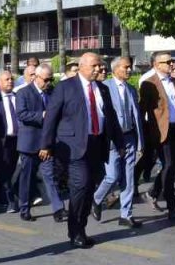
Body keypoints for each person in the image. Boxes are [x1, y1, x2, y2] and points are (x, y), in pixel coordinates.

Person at [41, 53, 120, 249]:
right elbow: (51, 117)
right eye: (94, 65)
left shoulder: (102, 89)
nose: (98, 69)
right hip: (74, 147)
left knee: (89, 189)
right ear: (82, 66)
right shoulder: (65, 87)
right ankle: (75, 231)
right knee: (81, 186)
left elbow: (111, 117)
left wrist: (120, 143)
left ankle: (81, 229)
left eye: (100, 65)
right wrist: (46, 145)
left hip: (96, 145)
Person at [139, 52, 175, 221]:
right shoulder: (149, 84)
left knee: (171, 167)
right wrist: (143, 135)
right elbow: (142, 110)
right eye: (167, 62)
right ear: (157, 65)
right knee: (169, 166)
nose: (172, 64)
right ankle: (172, 207)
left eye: (172, 61)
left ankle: (154, 192)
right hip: (161, 133)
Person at [93, 56, 145, 227]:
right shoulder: (104, 87)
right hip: (112, 140)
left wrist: (140, 142)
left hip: (129, 137)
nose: (129, 70)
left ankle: (126, 215)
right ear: (115, 69)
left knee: (129, 178)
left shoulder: (131, 89)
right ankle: (96, 198)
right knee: (112, 176)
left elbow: (136, 117)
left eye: (130, 67)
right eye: (126, 67)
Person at [14, 63, 65, 222]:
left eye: (51, 79)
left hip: (47, 143)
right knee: (27, 178)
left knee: (50, 176)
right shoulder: (23, 93)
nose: (48, 83)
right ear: (36, 77)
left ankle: (58, 209)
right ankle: (24, 208)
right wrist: (42, 115)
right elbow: (21, 114)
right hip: (29, 144)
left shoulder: (52, 92)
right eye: (46, 80)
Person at [0, 70, 20, 213]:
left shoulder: (19, 97)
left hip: (18, 139)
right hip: (2, 141)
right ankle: (10, 200)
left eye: (11, 79)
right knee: (5, 170)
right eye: (7, 79)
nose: (10, 81)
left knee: (11, 169)